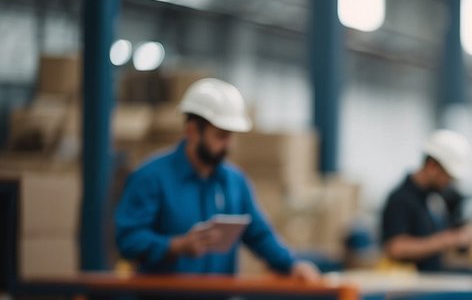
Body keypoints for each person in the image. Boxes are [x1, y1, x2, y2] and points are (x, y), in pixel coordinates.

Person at [114, 78, 321, 284]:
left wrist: (292, 264)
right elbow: (128, 239)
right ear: (193, 131)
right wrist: (176, 246)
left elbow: (259, 234)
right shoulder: (151, 178)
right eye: (221, 136)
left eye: (231, 136)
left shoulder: (235, 182)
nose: (228, 146)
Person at [380, 129, 472, 271]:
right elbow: (396, 248)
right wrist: (448, 240)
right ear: (432, 165)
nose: (449, 182)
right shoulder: (400, 198)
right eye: (447, 176)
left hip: (431, 281)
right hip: (409, 288)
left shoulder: (434, 197)